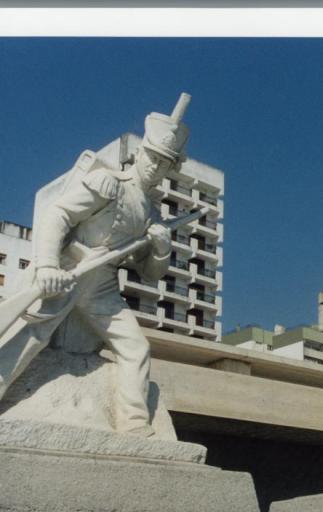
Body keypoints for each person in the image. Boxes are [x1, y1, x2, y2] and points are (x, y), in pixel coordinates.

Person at [0, 95, 192, 437]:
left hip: (102, 287)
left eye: (164, 163)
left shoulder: (151, 213)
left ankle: (134, 425)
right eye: (153, 157)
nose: (155, 167)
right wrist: (46, 266)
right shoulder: (108, 183)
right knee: (31, 335)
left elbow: (149, 274)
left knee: (136, 347)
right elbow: (57, 215)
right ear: (141, 152)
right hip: (70, 270)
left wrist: (161, 249)